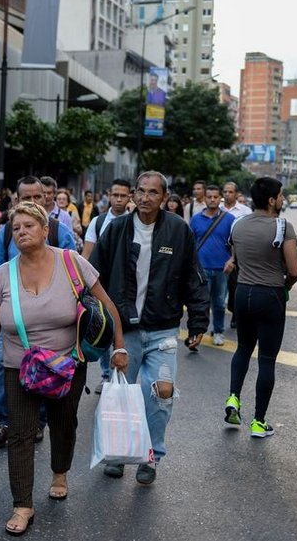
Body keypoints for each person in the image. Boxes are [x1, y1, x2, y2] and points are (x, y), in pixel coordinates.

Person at [0, 201, 126, 537]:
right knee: (20, 433)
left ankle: (59, 471)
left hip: (68, 364)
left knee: (63, 423)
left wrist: (119, 346)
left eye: (29, 225)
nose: (22, 232)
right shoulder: (3, 274)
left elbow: (106, 305)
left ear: (45, 229)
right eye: (16, 228)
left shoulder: (73, 262)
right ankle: (22, 504)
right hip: (20, 366)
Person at [90, 170, 210, 484]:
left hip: (164, 330)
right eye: (140, 191)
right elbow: (92, 276)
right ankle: (116, 455)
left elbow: (192, 277)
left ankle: (150, 455)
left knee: (162, 393)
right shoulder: (116, 229)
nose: (145, 198)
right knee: (119, 393)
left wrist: (198, 318)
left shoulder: (178, 231)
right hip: (123, 330)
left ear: (164, 197)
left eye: (152, 192)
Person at [0, 176, 77, 450]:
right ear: (16, 200)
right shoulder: (7, 232)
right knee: (3, 363)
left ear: (47, 198)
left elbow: (74, 278)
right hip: (14, 319)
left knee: (49, 367)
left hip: (51, 321)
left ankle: (40, 421)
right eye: (27, 198)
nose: (33, 202)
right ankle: (6, 421)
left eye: (38, 197)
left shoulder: (59, 231)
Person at [223, 177, 297, 437]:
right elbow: (294, 270)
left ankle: (233, 397)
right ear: (271, 200)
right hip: (270, 296)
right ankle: (258, 422)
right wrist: (287, 285)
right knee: (266, 359)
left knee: (243, 348)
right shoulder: (283, 226)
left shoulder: (237, 224)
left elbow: (236, 257)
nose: (282, 200)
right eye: (280, 196)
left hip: (242, 293)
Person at [82, 179, 132, 393]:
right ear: (109, 196)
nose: (119, 199)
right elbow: (86, 255)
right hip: (101, 285)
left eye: (123, 195)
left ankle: (122, 373)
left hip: (128, 286)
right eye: (115, 195)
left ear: (130, 197)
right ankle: (105, 375)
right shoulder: (99, 222)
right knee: (104, 328)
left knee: (126, 331)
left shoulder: (135, 222)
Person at [189, 185, 235, 347]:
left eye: (215, 197)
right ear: (205, 198)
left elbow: (235, 243)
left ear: (219, 198)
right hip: (201, 269)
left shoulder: (229, 219)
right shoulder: (195, 219)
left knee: (219, 302)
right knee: (200, 304)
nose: (212, 199)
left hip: (222, 269)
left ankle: (218, 331)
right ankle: (197, 332)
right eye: (209, 197)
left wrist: (232, 260)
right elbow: (190, 244)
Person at [221, 181, 253, 328]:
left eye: (230, 192)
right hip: (220, 251)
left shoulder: (245, 211)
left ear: (236, 193)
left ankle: (235, 314)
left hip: (238, 254)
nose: (227, 194)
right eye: (225, 191)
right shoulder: (218, 209)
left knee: (235, 286)